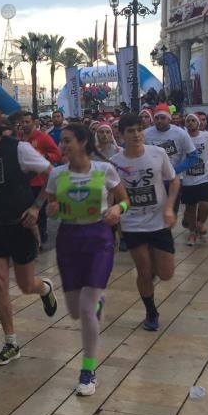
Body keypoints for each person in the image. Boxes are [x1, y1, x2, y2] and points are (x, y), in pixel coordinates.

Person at [44, 124, 128, 396]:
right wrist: (52, 210)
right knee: (74, 310)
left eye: (68, 141)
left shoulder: (104, 170)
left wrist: (117, 208)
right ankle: (98, 300)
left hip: (98, 238)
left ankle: (88, 371)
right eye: (62, 142)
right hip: (68, 239)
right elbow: (50, 208)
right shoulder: (56, 175)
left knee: (87, 308)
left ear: (82, 142)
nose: (63, 145)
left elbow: (126, 201)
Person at [0, 108, 57, 366]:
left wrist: (37, 206)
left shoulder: (19, 149)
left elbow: (51, 172)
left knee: (25, 284)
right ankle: (11, 342)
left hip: (19, 224)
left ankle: (44, 288)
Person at [111, 113, 179, 331]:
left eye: (139, 129)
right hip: (132, 224)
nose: (136, 134)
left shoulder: (158, 154)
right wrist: (114, 215)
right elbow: (110, 195)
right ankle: (151, 311)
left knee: (166, 274)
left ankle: (151, 278)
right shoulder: (114, 163)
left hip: (159, 221)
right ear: (121, 135)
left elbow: (174, 180)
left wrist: (169, 208)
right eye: (130, 131)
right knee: (144, 270)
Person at [13, 110, 62, 250]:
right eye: (22, 122)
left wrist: (45, 157)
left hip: (39, 182)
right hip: (23, 181)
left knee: (39, 212)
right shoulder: (19, 138)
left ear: (34, 122)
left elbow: (57, 155)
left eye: (27, 122)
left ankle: (41, 237)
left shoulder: (43, 137)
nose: (24, 124)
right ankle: (28, 238)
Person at [180, 113, 208, 246]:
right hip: (187, 178)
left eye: (193, 120)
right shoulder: (182, 138)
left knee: (205, 205)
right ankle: (192, 232)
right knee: (190, 208)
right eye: (188, 121)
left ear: (199, 123)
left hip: (204, 177)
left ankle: (200, 223)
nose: (190, 123)